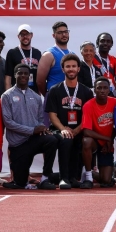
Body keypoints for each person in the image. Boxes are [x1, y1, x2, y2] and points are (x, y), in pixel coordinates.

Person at [1, 63, 58, 190]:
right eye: (20, 73)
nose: (23, 75)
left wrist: (42, 129)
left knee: (52, 140)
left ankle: (45, 177)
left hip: (33, 140)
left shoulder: (37, 97)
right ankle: (20, 177)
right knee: (20, 184)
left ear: (29, 76)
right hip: (18, 145)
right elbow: (8, 122)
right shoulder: (6, 96)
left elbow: (40, 120)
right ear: (15, 75)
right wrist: (32, 130)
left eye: (26, 73)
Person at [46, 54, 95, 189]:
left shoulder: (86, 92)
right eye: (68, 66)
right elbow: (52, 115)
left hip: (79, 128)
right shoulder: (54, 90)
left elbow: (88, 116)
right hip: (59, 129)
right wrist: (63, 128)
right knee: (66, 139)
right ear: (63, 69)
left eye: (74, 66)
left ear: (79, 69)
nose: (71, 69)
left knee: (81, 139)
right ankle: (64, 178)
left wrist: (76, 130)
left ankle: (75, 177)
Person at [82, 76, 116, 187]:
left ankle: (86, 172)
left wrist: (110, 140)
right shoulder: (88, 105)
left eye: (105, 88)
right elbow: (86, 131)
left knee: (106, 181)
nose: (102, 90)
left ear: (109, 90)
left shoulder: (115, 102)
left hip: (107, 143)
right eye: (99, 88)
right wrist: (107, 139)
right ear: (94, 89)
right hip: (95, 141)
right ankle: (88, 177)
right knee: (86, 141)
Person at [37, 21, 72, 96]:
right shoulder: (49, 55)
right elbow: (40, 81)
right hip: (54, 98)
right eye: (60, 32)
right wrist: (49, 95)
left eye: (66, 32)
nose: (64, 34)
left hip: (70, 98)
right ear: (54, 35)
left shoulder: (72, 54)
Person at [4, 24, 41, 91]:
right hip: (17, 92)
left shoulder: (37, 53)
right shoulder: (12, 53)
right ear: (18, 36)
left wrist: (39, 94)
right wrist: (8, 94)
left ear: (31, 35)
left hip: (34, 92)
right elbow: (8, 76)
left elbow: (40, 76)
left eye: (27, 34)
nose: (25, 37)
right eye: (22, 35)